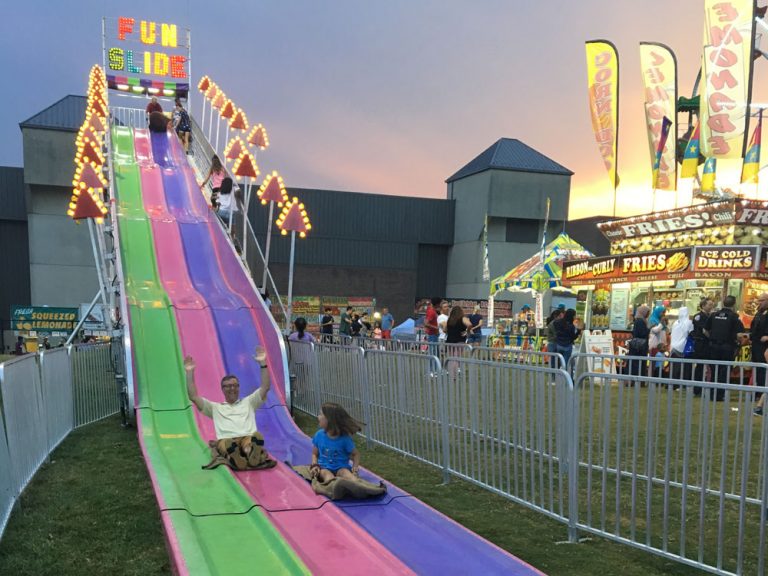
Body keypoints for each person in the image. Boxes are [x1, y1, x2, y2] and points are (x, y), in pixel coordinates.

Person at [184, 346, 271, 463]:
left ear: (239, 388)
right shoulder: (215, 408)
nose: (232, 388)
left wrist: (263, 363)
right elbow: (193, 397)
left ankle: (248, 453)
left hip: (247, 437)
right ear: (222, 389)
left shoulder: (249, 402)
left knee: (249, 442)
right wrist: (189, 373)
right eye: (228, 386)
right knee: (225, 444)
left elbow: (265, 387)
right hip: (227, 440)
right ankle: (237, 455)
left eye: (235, 385)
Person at [705, 295, 744, 401]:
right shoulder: (734, 317)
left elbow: (705, 330)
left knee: (714, 371)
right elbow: (740, 335)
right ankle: (719, 395)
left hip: (713, 346)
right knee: (724, 371)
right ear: (734, 304)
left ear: (723, 303)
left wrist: (712, 339)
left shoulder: (714, 315)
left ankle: (712, 394)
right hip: (727, 347)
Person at [311, 402, 362, 482]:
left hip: (341, 468)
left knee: (348, 475)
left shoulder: (345, 439)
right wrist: (314, 465)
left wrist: (355, 469)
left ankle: (357, 486)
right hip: (324, 468)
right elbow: (315, 454)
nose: (318, 417)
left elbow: (356, 454)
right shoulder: (319, 435)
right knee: (328, 476)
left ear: (330, 420)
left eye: (321, 414)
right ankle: (333, 486)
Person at [749, 293, 768, 415]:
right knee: (757, 371)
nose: (759, 302)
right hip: (756, 346)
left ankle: (761, 398)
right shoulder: (758, 313)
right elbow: (754, 328)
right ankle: (758, 394)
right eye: (758, 300)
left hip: (765, 347)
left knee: (763, 372)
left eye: (761, 300)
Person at [690, 297, 714, 392]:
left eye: (712, 304)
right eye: (709, 304)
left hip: (708, 344)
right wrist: (712, 337)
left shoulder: (710, 316)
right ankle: (697, 388)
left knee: (710, 365)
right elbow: (704, 330)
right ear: (703, 305)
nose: (711, 306)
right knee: (700, 366)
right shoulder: (699, 316)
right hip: (701, 343)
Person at [669, 306, 693, 380]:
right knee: (684, 366)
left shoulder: (675, 322)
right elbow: (691, 333)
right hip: (684, 347)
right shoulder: (689, 322)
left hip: (673, 347)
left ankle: (672, 382)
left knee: (674, 366)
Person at [628, 305, 651, 380]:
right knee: (639, 363)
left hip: (637, 346)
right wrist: (648, 329)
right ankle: (638, 379)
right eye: (647, 312)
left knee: (636, 363)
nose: (648, 314)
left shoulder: (639, 320)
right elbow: (642, 333)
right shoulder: (640, 321)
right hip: (640, 347)